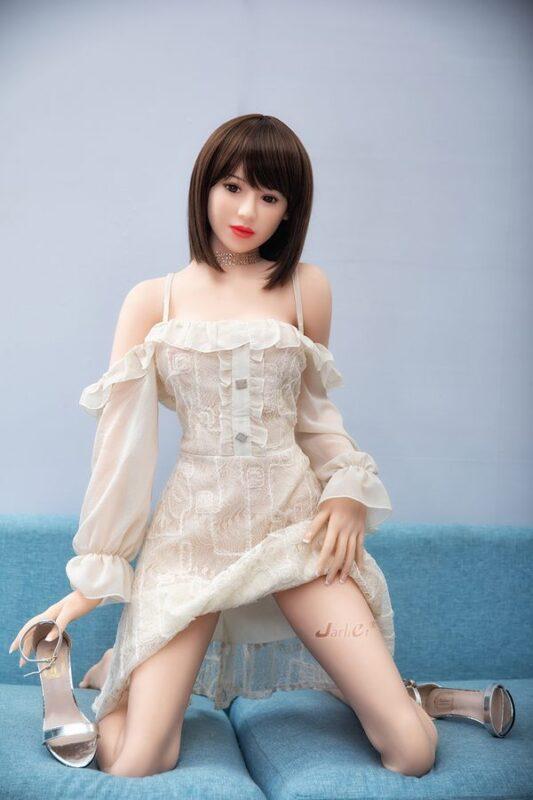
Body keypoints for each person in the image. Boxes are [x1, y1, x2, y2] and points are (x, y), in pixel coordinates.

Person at [11, 114, 439, 778]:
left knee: (412, 751)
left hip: (294, 531)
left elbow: (312, 416)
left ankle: (419, 701)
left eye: (269, 196)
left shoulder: (306, 289)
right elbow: (121, 450)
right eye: (233, 187)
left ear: (289, 210)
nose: (246, 212)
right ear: (204, 187)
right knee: (136, 760)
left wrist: (349, 489)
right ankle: (118, 672)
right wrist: (93, 580)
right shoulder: (152, 301)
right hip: (193, 538)